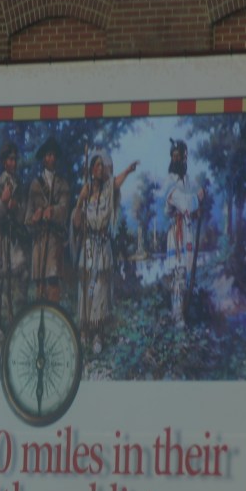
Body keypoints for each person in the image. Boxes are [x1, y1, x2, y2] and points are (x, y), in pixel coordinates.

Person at [72, 149, 138, 354]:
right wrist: (80, 201)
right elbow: (76, 222)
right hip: (89, 246)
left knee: (100, 289)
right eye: (96, 165)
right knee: (87, 288)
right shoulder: (85, 191)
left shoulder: (108, 190)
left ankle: (98, 334)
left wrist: (128, 170)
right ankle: (84, 330)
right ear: (92, 169)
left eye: (102, 166)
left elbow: (116, 182)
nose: (100, 169)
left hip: (103, 246)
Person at [0, 141, 27, 324]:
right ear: (4, 162)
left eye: (15, 159)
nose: (13, 163)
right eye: (10, 159)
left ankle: (19, 319)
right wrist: (2, 202)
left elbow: (24, 216)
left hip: (15, 240)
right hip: (1, 241)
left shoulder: (20, 185)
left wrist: (16, 208)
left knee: (22, 277)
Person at [25, 136, 71, 303]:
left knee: (53, 282)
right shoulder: (35, 185)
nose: (51, 158)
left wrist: (52, 211)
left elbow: (64, 210)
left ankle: (54, 314)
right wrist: (35, 218)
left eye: (53, 155)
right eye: (48, 155)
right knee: (40, 287)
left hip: (54, 241)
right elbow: (27, 220)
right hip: (39, 242)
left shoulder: (63, 184)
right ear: (43, 158)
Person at [164, 139, 203, 327]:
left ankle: (184, 311)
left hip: (188, 230)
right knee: (178, 273)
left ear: (184, 158)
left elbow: (197, 197)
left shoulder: (188, 181)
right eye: (174, 156)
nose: (176, 160)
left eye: (179, 156)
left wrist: (195, 203)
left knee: (187, 272)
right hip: (176, 232)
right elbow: (184, 203)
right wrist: (196, 199)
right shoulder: (169, 181)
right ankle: (177, 314)